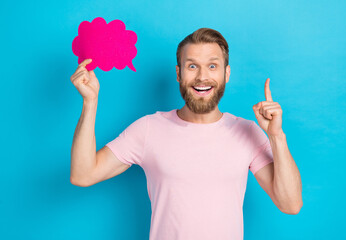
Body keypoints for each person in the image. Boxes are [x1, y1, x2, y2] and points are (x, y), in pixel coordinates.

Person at [70, 28, 303, 240]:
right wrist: (90, 102)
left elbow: (290, 204)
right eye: (192, 66)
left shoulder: (247, 131)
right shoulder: (148, 129)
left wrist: (277, 136)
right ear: (179, 73)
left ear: (227, 73)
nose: (202, 77)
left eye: (212, 66)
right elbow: (83, 174)